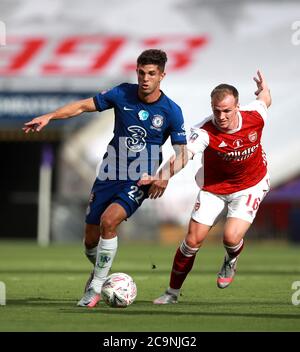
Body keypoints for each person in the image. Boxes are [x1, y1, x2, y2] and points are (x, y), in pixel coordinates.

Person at [23, 49, 187, 307]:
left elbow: (183, 153)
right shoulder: (121, 93)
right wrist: (50, 116)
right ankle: (102, 272)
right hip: (109, 173)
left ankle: (95, 288)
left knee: (108, 222)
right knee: (90, 240)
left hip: (139, 178)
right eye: (142, 72)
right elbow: (82, 106)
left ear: (162, 76)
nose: (145, 78)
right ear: (137, 72)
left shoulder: (171, 111)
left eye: (152, 74)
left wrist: (163, 176)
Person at [138, 70, 272, 304]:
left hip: (251, 185)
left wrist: (263, 89)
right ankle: (172, 293)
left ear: (238, 106)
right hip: (214, 187)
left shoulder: (255, 116)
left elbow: (265, 100)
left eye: (227, 111)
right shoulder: (204, 131)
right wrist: (163, 176)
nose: (221, 116)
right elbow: (183, 155)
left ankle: (231, 260)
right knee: (191, 242)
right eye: (216, 110)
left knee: (230, 238)